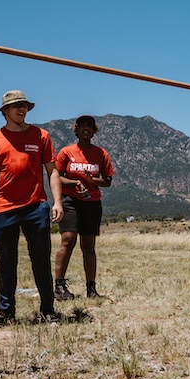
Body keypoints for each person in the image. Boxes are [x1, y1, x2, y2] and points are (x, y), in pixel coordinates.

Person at [0, 90, 64, 324]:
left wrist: (57, 201)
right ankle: (6, 313)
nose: (21, 109)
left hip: (36, 207)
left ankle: (47, 310)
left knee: (41, 259)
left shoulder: (41, 136)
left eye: (24, 105)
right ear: (5, 111)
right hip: (4, 208)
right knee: (6, 262)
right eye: (16, 106)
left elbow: (52, 171)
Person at [54, 115, 115, 299]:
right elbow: (56, 176)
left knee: (88, 245)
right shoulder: (66, 152)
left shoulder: (101, 154)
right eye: (82, 126)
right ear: (77, 129)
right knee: (68, 239)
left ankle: (91, 289)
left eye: (89, 126)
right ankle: (59, 286)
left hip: (92, 202)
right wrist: (74, 182)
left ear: (93, 130)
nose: (86, 129)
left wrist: (91, 180)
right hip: (71, 200)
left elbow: (107, 181)